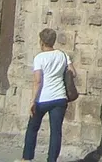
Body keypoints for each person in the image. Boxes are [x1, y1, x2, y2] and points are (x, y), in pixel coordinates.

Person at [23, 27, 73, 162]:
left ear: (41, 41)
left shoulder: (39, 58)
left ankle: (27, 158)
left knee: (32, 128)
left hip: (43, 98)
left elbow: (37, 81)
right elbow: (72, 72)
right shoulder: (63, 55)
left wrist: (32, 101)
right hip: (59, 97)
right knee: (56, 132)